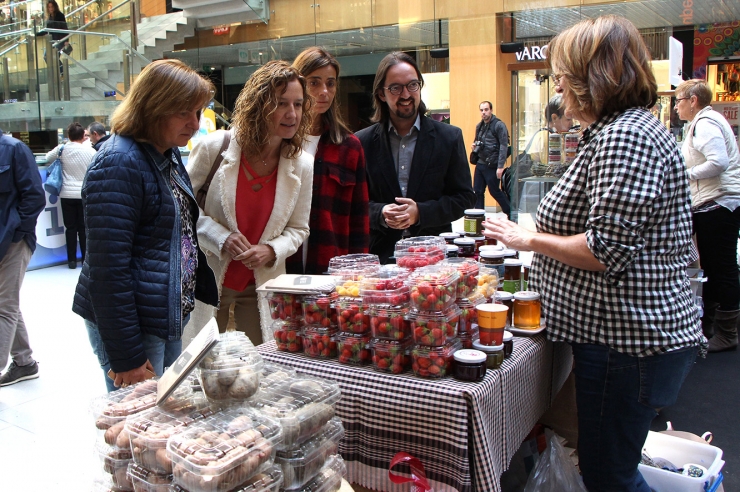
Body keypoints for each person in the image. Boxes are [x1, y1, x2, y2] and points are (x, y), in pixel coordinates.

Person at [482, 16, 705, 492]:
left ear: (594, 76)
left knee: (611, 477)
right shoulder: (614, 131)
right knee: (609, 469)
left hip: (629, 345)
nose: (557, 84)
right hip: (621, 342)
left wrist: (528, 241)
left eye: (563, 73)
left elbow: (606, 250)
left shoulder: (626, 135)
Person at [72, 59, 219, 391]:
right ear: (154, 107)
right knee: (137, 428)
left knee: (164, 413)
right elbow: (107, 269)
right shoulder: (119, 162)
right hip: (132, 323)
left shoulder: (165, 151)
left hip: (162, 315)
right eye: (185, 112)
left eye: (198, 112)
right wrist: (128, 357)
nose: (195, 124)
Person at [187, 60, 313, 344]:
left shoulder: (302, 164)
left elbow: (299, 229)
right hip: (207, 279)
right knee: (201, 364)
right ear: (259, 104)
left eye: (298, 104)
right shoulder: (213, 148)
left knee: (257, 370)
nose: (292, 114)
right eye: (281, 103)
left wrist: (271, 249)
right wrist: (220, 237)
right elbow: (182, 210)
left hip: (259, 285)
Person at [356, 51, 475, 263]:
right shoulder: (362, 143)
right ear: (381, 94)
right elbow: (354, 204)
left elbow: (463, 198)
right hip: (380, 259)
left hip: (434, 260)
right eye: (395, 88)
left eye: (412, 85)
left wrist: (420, 212)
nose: (405, 95)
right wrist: (381, 213)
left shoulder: (449, 137)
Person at [286, 47, 369, 275]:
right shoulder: (278, 141)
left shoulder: (350, 147)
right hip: (281, 268)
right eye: (314, 82)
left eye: (330, 83)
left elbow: (359, 219)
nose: (324, 91)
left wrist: (357, 274)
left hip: (331, 269)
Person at [675, 78, 740, 352]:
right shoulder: (704, 122)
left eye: (678, 101)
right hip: (714, 203)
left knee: (721, 267)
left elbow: (718, 162)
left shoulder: (705, 123)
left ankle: (726, 333)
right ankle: (711, 325)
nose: (676, 107)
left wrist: (683, 174)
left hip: (718, 203)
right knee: (714, 267)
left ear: (693, 100)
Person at [0, 129, 45, 387]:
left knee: (3, 307)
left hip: (13, 242)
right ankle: (24, 362)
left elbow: (34, 196)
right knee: (7, 303)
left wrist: (17, 233)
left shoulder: (14, 148)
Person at [45, 122, 96, 269]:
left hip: (66, 194)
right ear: (83, 136)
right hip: (83, 193)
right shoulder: (90, 152)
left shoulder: (62, 148)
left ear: (68, 136)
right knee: (83, 228)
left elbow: (48, 157)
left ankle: (71, 260)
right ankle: (85, 260)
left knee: (70, 228)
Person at [472, 101, 510, 214]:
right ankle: (479, 219)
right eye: (482, 110)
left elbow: (504, 146)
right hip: (480, 162)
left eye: (486, 109)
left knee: (494, 191)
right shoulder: (479, 126)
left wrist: (500, 166)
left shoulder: (499, 125)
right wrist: (474, 147)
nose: (484, 112)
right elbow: (476, 141)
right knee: (477, 191)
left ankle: (510, 212)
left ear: (491, 110)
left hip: (492, 164)